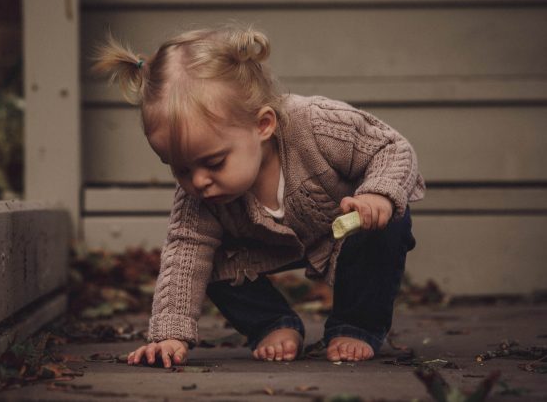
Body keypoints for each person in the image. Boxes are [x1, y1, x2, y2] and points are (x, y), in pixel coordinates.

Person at [93, 25, 425, 368]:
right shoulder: (198, 197)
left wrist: (377, 195)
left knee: (390, 220)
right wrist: (169, 333)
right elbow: (183, 254)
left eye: (214, 162)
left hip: (342, 229)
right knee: (201, 261)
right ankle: (270, 323)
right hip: (257, 253)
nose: (198, 181)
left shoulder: (315, 124)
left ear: (262, 125)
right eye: (179, 169)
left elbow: (391, 146)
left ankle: (356, 325)